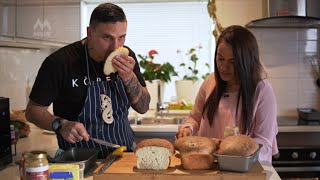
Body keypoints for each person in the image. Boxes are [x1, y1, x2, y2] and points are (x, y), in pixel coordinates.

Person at [25, 3, 150, 158]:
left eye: (121, 37)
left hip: (124, 156)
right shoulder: (60, 62)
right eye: (107, 37)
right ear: (90, 33)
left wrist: (129, 77)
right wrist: (60, 125)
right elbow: (32, 112)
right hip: (79, 161)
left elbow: (143, 107)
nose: (115, 47)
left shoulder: (127, 57)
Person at [176, 25, 278, 163]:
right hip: (209, 167)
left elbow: (264, 142)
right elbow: (195, 118)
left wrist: (228, 147)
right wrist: (188, 128)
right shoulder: (210, 82)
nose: (224, 67)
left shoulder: (262, 90)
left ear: (246, 61)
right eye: (220, 59)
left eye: (233, 62)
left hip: (245, 171)